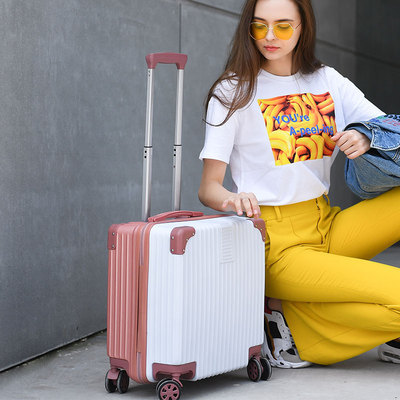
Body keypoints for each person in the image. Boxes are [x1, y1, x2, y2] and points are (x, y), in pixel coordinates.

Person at [198, 0, 400, 368]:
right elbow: (209, 187)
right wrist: (233, 199)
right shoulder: (233, 91)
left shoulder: (326, 80)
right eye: (259, 25)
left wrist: (367, 135)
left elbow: (391, 129)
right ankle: (301, 330)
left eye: (283, 26)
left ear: (303, 26)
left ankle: (295, 310)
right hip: (278, 246)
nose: (270, 36)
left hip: (326, 224)